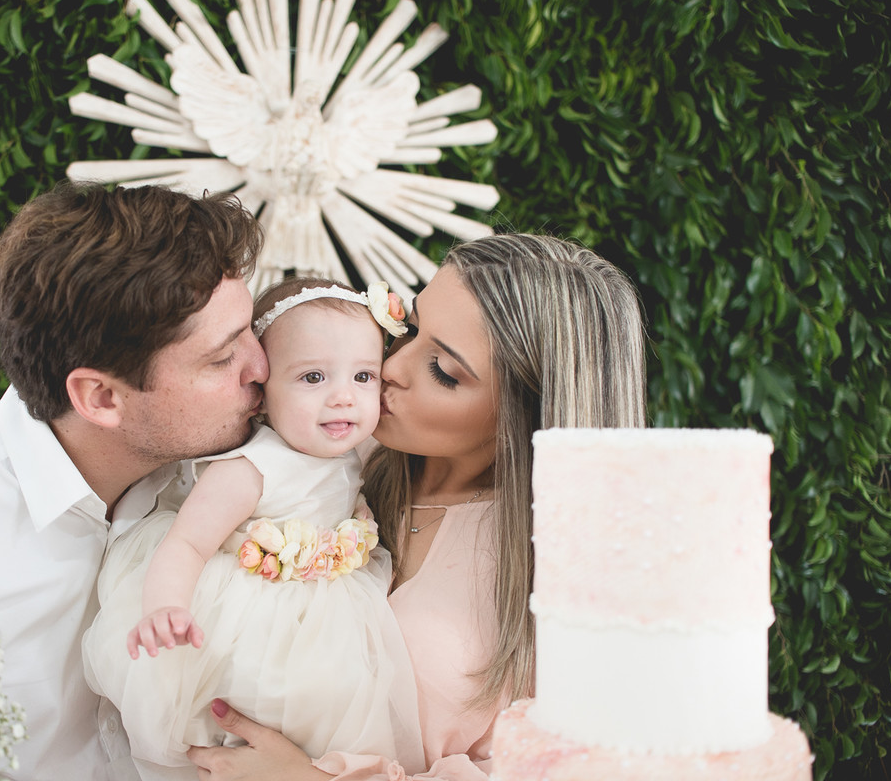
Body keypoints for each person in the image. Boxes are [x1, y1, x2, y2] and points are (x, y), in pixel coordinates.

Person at [185, 233, 648, 780]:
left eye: (444, 372)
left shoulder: (568, 585)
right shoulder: (329, 448)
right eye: (405, 327)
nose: (393, 366)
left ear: (529, 413)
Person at [0, 182, 269, 781]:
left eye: (249, 330)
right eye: (220, 359)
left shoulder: (225, 468)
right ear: (101, 397)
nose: (262, 368)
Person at [83, 277, 425, 780]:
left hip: (327, 616)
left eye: (363, 377)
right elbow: (188, 543)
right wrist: (165, 608)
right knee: (231, 714)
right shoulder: (251, 468)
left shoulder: (357, 452)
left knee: (329, 717)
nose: (342, 398)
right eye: (313, 378)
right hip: (242, 616)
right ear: (262, 394)